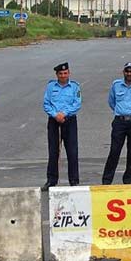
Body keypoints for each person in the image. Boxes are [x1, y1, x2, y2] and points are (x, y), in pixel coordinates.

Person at [102, 62, 131, 185]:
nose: (129, 74)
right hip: (120, 122)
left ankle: (127, 180)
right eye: (127, 71)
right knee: (114, 151)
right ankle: (107, 181)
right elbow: (111, 102)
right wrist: (120, 112)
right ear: (123, 72)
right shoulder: (116, 85)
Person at [42, 62, 82, 191]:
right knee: (53, 152)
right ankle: (51, 180)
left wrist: (64, 113)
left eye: (65, 73)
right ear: (57, 75)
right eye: (60, 74)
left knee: (72, 151)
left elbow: (77, 103)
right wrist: (55, 115)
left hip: (69, 121)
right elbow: (46, 103)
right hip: (54, 121)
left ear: (69, 73)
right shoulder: (50, 87)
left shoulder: (75, 87)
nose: (63, 76)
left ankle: (74, 181)